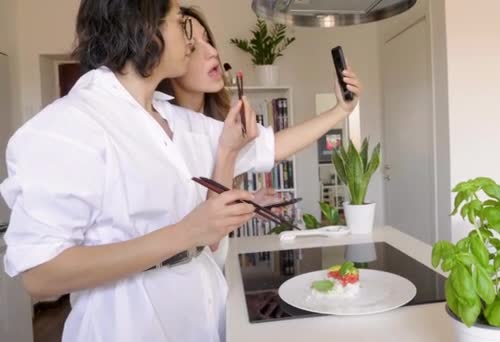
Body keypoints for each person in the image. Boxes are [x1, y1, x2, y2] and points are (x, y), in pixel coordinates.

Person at [0, 2, 362, 342]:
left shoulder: (179, 121)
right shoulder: (67, 126)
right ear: (144, 27)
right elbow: (41, 274)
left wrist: (339, 111)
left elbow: (270, 146)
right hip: (126, 326)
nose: (190, 39)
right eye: (181, 23)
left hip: (204, 309)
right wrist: (189, 231)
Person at [158, 6, 363, 268]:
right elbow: (204, 235)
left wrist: (341, 109)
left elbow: (275, 145)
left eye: (208, 40)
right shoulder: (162, 126)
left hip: (216, 275)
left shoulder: (219, 128)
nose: (212, 52)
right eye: (193, 46)